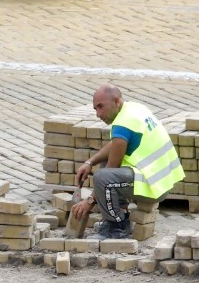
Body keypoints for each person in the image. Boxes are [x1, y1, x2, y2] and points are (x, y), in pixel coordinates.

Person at [70, 84, 184, 239]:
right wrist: (90, 163)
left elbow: (111, 169)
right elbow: (115, 145)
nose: (98, 114)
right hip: (162, 179)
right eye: (95, 109)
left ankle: (116, 227)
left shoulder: (122, 123)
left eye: (101, 107)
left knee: (102, 178)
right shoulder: (134, 109)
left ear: (116, 101)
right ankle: (122, 212)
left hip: (154, 186)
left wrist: (88, 202)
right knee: (104, 166)